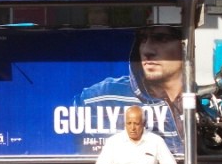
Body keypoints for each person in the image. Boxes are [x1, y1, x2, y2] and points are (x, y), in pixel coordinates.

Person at [75, 24, 184, 156]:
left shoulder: (203, 104)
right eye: (143, 39)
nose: (147, 50)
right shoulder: (100, 98)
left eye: (162, 39)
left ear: (186, 46)